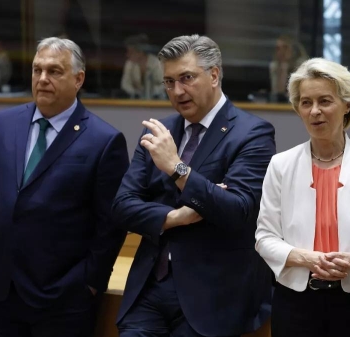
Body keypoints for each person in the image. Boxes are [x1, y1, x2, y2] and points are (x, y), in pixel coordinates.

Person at [113, 34, 275, 337]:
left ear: (214, 75)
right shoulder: (160, 132)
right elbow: (122, 207)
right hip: (152, 288)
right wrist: (174, 217)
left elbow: (237, 210)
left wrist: (177, 169)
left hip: (213, 297)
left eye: (187, 78)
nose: (177, 91)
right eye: (169, 82)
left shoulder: (252, 134)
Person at [0, 37, 129, 337]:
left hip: (61, 300)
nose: (42, 79)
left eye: (54, 71)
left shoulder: (104, 141)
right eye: (37, 70)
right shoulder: (2, 123)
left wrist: (89, 283)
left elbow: (110, 225)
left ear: (78, 79)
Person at [255, 57, 350, 337]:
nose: (314, 111)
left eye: (325, 101)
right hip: (295, 301)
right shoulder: (281, 165)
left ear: (347, 104)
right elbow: (265, 237)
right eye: (305, 102)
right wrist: (306, 258)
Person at [121, 34, 165, 100]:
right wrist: (135, 93)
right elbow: (125, 84)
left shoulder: (156, 63)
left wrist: (153, 92)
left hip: (157, 103)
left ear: (140, 52)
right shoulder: (129, 64)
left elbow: (165, 83)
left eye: (130, 52)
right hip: (136, 103)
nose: (127, 55)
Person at [269, 34, 308, 102]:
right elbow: (277, 93)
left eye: (285, 47)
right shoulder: (275, 65)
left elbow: (298, 93)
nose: (281, 51)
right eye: (278, 48)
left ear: (293, 49)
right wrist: (283, 68)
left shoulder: (302, 64)